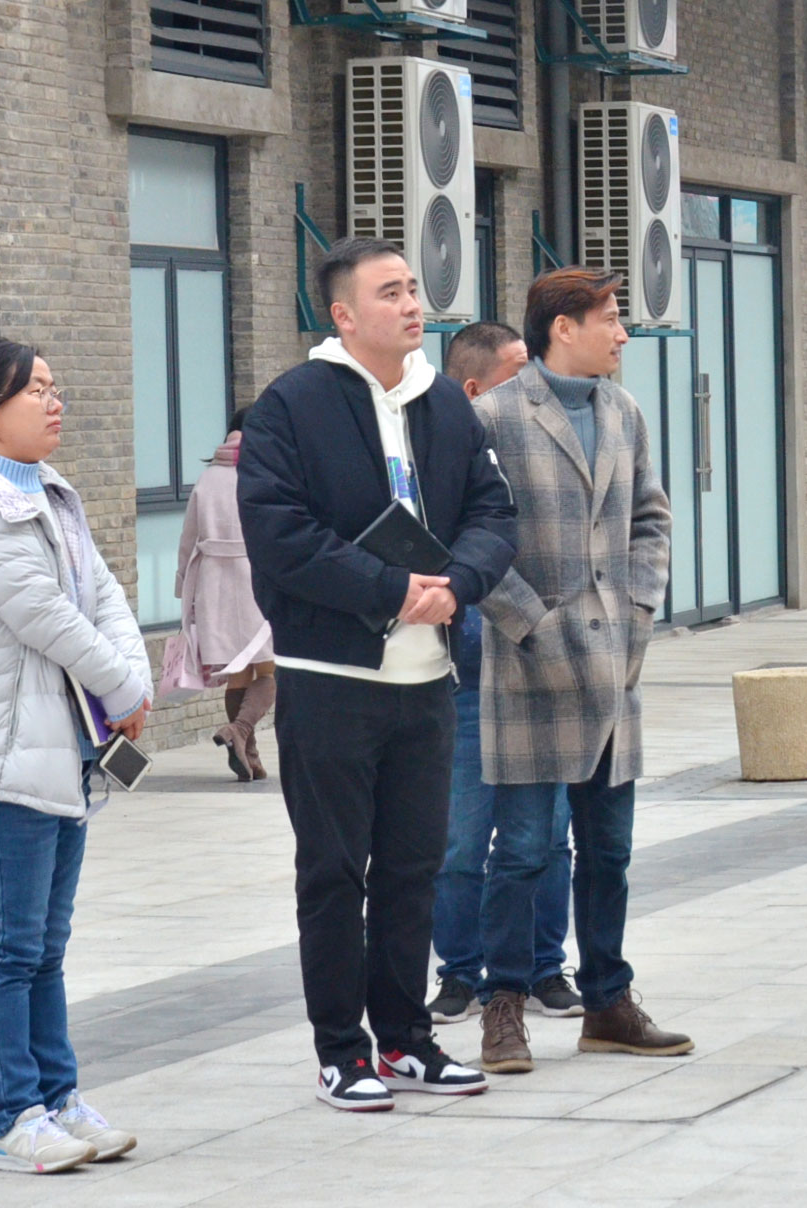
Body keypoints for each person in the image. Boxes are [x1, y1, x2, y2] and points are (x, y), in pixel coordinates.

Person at [238, 239, 517, 1112]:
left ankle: (405, 1040)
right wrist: (392, 589)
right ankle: (340, 1051)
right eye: (389, 292)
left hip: (426, 678)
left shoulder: (444, 404)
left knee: (411, 868)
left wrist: (456, 585)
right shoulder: (292, 405)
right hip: (330, 675)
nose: (411, 305)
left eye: (413, 290)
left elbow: (493, 511)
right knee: (333, 872)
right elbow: (280, 533)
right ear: (344, 314)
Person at [0, 339, 154, 1176]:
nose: (54, 402)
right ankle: (11, 1118)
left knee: (44, 948)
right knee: (9, 951)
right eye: (36, 390)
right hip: (2, 762)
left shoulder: (48, 490)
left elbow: (105, 595)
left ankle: (58, 1098)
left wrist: (131, 684)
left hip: (60, 755)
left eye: (55, 387)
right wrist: (121, 686)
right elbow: (44, 614)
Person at [472, 269, 681, 1075]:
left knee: (609, 850)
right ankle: (504, 1005)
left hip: (614, 667)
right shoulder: (495, 416)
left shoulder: (624, 412)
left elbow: (651, 519)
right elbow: (471, 541)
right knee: (523, 850)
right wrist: (535, 625)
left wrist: (641, 608)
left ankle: (608, 1002)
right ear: (564, 327)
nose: (623, 333)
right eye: (610, 318)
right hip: (530, 670)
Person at [428, 322, 582, 1026]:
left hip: (542, 673)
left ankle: (544, 967)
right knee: (461, 842)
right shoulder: (445, 465)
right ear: (474, 391)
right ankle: (460, 973)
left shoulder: (552, 449)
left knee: (548, 838)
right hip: (466, 679)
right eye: (520, 372)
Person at [163, 409, 275, 782]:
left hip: (214, 583)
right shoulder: (265, 472)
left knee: (238, 674)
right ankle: (239, 731)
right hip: (255, 577)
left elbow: (188, 537)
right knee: (270, 667)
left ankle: (250, 757)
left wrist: (184, 587)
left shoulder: (208, 477)